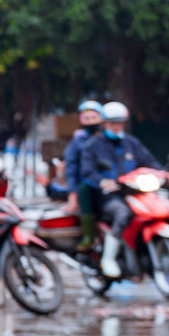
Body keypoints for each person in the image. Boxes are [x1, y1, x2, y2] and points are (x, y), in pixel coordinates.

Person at [80, 101, 169, 278]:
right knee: (122, 214)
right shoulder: (94, 145)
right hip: (109, 197)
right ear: (105, 124)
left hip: (135, 192)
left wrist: (165, 174)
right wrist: (103, 182)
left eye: (120, 123)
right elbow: (87, 172)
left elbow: (150, 163)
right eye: (113, 123)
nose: (117, 127)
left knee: (160, 207)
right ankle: (108, 259)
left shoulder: (131, 143)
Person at [63, 100, 104, 249]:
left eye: (93, 117)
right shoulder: (78, 141)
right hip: (88, 181)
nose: (90, 121)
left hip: (110, 180)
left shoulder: (108, 138)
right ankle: (89, 237)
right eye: (86, 118)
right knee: (85, 189)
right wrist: (72, 195)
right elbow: (71, 168)